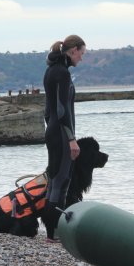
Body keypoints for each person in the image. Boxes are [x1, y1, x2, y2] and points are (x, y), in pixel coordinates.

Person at [42, 34, 86, 242]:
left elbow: (48, 111)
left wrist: (51, 131)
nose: (81, 58)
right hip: (61, 134)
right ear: (73, 50)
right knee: (61, 181)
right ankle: (53, 233)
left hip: (52, 131)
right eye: (81, 54)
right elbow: (61, 110)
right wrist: (71, 139)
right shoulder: (62, 73)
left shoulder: (51, 70)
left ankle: (51, 232)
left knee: (53, 181)